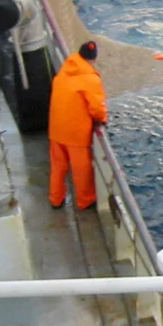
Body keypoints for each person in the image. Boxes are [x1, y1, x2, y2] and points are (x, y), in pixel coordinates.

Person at [48, 41, 108, 209]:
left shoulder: (64, 71)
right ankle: (85, 200)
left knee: (58, 166)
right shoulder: (90, 79)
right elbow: (97, 107)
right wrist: (103, 119)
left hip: (56, 129)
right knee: (81, 169)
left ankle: (55, 199)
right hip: (75, 133)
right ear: (94, 59)